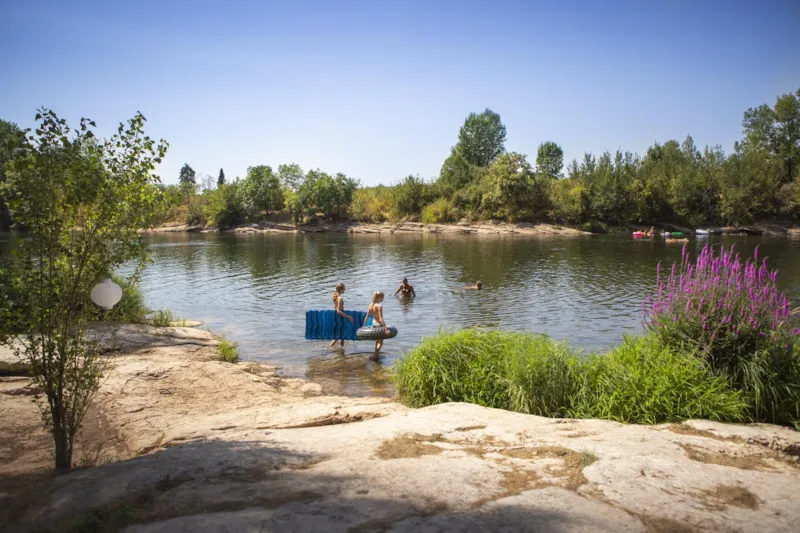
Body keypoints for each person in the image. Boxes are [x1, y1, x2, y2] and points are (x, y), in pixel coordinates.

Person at [364, 291, 390, 361]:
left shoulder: (370, 305)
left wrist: (364, 325)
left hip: (374, 324)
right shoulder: (379, 306)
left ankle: (376, 355)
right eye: (382, 297)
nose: (383, 299)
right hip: (379, 324)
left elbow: (367, 317)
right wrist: (385, 328)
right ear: (379, 297)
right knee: (380, 342)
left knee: (377, 341)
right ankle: (375, 355)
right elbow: (381, 318)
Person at [329, 283, 353, 349]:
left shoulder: (337, 297)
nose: (345, 290)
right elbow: (339, 311)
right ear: (341, 289)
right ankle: (329, 348)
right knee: (339, 336)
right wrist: (348, 316)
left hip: (338, 317)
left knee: (342, 335)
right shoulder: (339, 298)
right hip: (340, 317)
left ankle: (342, 350)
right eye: (344, 288)